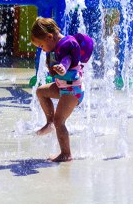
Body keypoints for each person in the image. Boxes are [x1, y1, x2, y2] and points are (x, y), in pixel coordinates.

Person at [31, 17, 93, 162]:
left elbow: (68, 60)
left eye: (41, 45)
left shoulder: (67, 45)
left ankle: (66, 154)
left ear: (49, 37)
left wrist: (63, 67)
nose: (42, 49)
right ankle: (49, 122)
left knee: (60, 121)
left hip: (72, 90)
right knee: (41, 91)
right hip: (62, 87)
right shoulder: (54, 46)